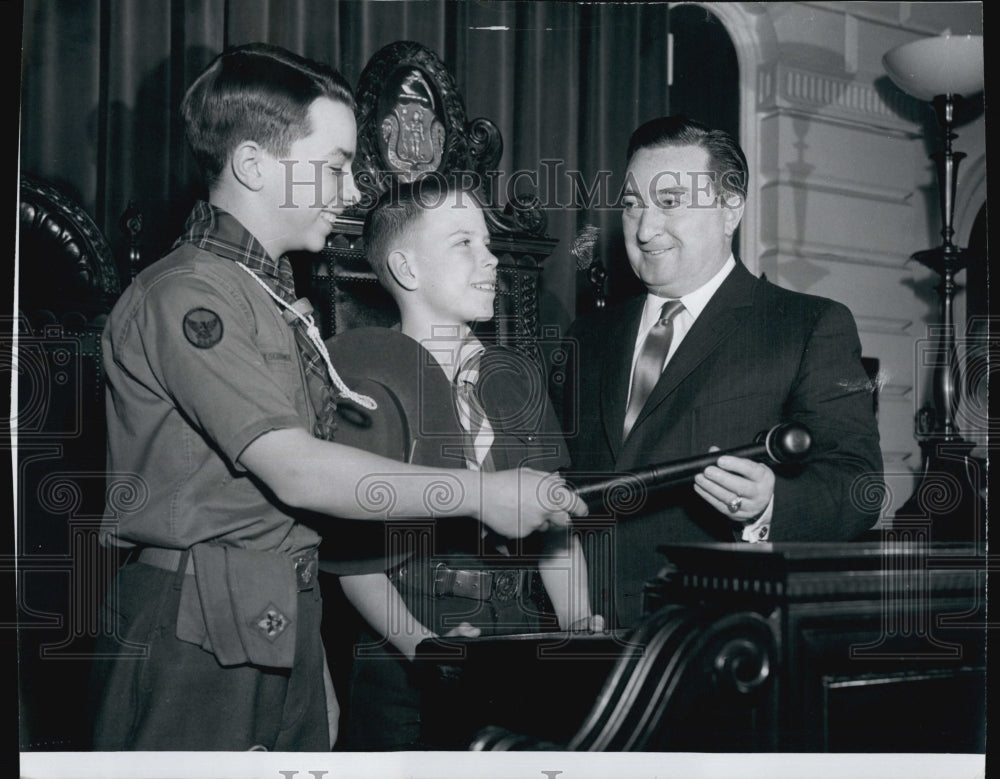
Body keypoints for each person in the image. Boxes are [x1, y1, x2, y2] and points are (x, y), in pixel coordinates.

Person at [88, 43, 585, 752]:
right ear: (254, 165)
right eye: (332, 166)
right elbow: (294, 466)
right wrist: (478, 492)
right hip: (193, 625)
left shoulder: (271, 298)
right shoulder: (189, 293)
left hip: (274, 612)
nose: (351, 190)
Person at [557, 115, 883, 629]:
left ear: (731, 208)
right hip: (587, 638)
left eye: (668, 203)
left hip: (719, 640)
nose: (644, 229)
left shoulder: (808, 325)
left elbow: (859, 484)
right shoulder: (585, 337)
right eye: (631, 204)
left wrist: (768, 504)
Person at [324, 177, 602, 750]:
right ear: (406, 268)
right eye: (464, 243)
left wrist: (576, 627)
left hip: (517, 644)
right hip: (403, 652)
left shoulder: (517, 376)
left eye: (488, 242)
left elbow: (555, 525)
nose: (490, 259)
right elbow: (353, 558)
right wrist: (425, 647)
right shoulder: (359, 382)